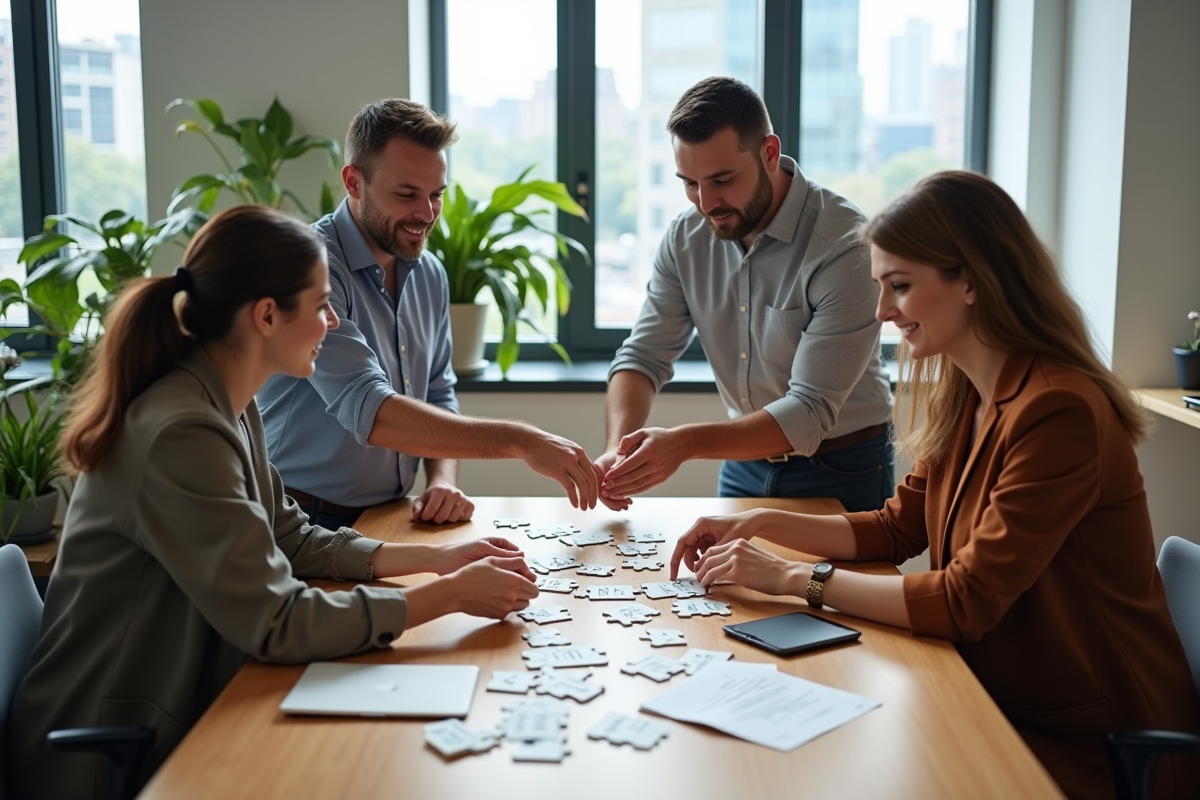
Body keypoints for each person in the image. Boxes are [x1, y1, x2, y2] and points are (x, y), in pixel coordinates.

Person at [670, 171, 1200, 799]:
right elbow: (898, 528)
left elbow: (963, 601)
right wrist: (758, 522)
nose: (882, 311)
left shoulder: (1060, 410)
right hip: (998, 694)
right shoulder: (966, 390)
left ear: (971, 280)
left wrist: (791, 578)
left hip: (1091, 737)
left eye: (900, 286)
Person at [5, 206, 541, 800]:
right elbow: (276, 622)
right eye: (320, 305)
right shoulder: (181, 431)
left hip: (176, 705)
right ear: (266, 316)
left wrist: (436, 562)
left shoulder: (228, 403)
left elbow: (290, 536)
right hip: (109, 746)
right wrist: (448, 597)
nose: (333, 321)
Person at [258, 98, 600, 530]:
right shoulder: (313, 268)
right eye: (406, 194)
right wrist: (524, 443)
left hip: (387, 515)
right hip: (299, 517)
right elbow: (371, 410)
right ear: (354, 182)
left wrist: (443, 480)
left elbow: (437, 392)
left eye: (436, 194)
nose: (426, 214)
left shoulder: (430, 273)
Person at [597, 76, 894, 514]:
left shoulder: (845, 246)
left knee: (831, 586)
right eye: (690, 183)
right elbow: (642, 357)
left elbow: (808, 411)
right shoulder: (685, 237)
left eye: (722, 180)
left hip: (843, 466)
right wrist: (616, 449)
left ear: (769, 153)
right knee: (725, 586)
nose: (705, 202)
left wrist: (683, 444)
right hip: (742, 466)